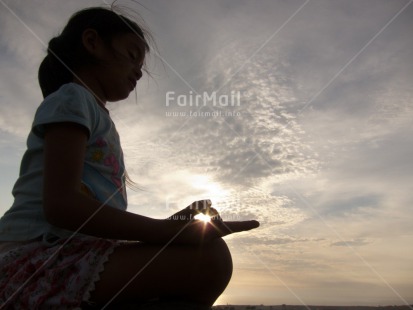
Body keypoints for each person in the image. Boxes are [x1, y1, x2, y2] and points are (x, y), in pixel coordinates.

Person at [0, 6, 260, 309]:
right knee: (209, 259)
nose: (139, 71)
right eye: (133, 54)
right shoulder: (72, 98)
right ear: (92, 42)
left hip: (72, 254)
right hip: (35, 258)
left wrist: (172, 224)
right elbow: (61, 204)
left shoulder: (94, 114)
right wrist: (163, 232)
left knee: (206, 256)